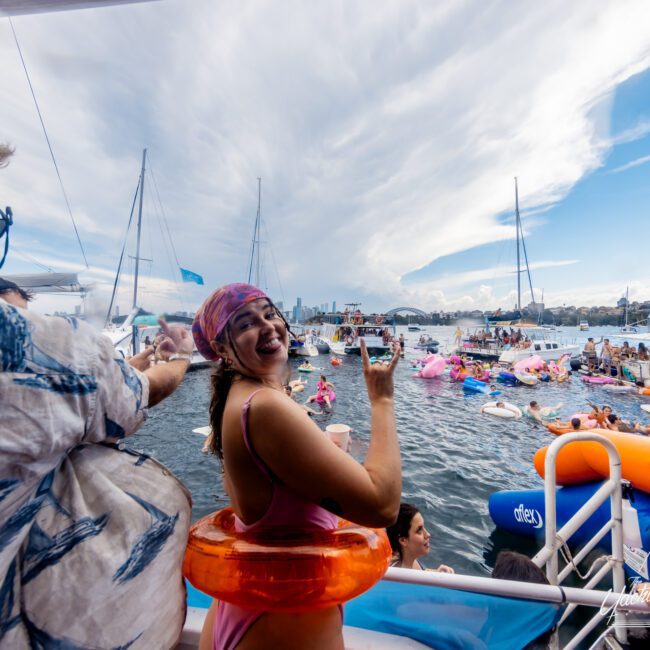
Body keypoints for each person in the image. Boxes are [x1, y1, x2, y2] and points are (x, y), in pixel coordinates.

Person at [191, 283, 401, 650]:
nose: (268, 325)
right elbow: (382, 505)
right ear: (222, 349)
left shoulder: (237, 400)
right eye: (245, 324)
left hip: (248, 611)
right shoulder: (265, 407)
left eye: (270, 314)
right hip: (284, 622)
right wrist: (381, 399)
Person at [0, 303, 194, 648]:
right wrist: (181, 358)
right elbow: (137, 394)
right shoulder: (21, 336)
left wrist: (132, 366)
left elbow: (84, 395)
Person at [386, 503, 454, 573]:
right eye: (419, 530)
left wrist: (437, 572)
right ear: (403, 540)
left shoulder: (407, 561)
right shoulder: (396, 574)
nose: (428, 534)